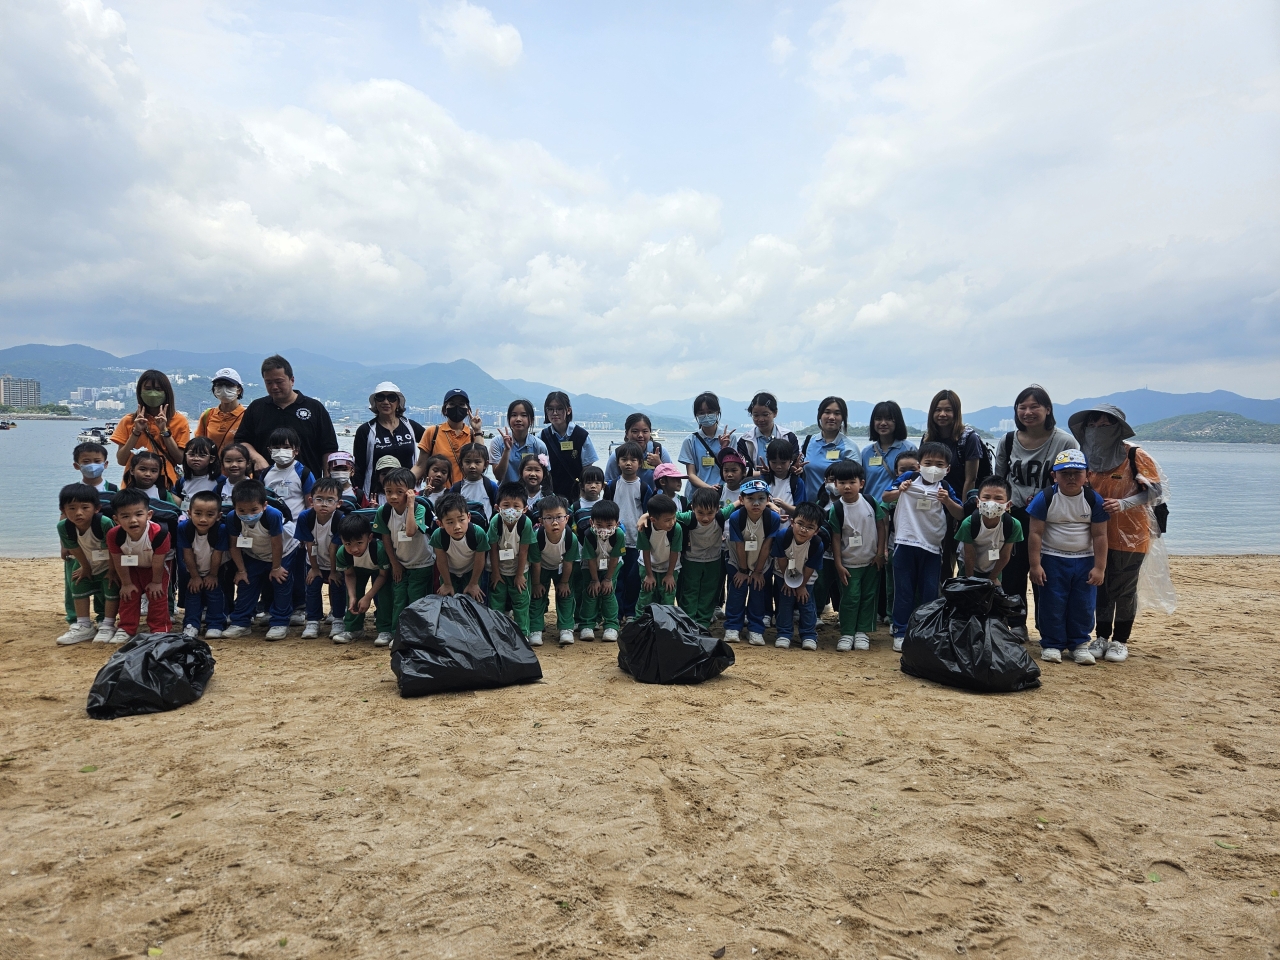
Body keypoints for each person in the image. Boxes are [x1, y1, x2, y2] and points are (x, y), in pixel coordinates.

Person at [1069, 404, 1164, 664]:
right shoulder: (1085, 457)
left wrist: (1125, 503)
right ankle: (1101, 636)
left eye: (1104, 425)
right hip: (1094, 534)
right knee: (1100, 586)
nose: (1097, 430)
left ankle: (1120, 640)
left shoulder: (1134, 455)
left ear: (1117, 429)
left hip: (1132, 535)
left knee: (1124, 589)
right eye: (1092, 425)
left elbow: (1156, 491)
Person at [993, 385, 1076, 641]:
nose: (1028, 412)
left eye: (1034, 407)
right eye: (1022, 407)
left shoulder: (1065, 442)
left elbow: (1074, 479)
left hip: (1051, 517)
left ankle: (1047, 626)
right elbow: (999, 480)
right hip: (1015, 516)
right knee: (1012, 573)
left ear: (1048, 409)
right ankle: (1017, 624)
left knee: (1045, 574)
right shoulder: (1008, 440)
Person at [1027, 450, 1110, 664]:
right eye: (1065, 473)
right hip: (1052, 559)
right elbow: (1035, 533)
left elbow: (1100, 535)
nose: (1071, 478)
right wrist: (1035, 565)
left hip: (1085, 560)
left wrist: (1099, 568)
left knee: (1083, 604)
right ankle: (1052, 644)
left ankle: (1079, 645)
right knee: (1052, 602)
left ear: (1087, 475)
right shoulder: (1045, 498)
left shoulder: (1093, 499)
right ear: (1054, 476)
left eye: (1076, 473)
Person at [881, 442, 965, 652]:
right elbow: (885, 497)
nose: (933, 468)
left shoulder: (944, 487)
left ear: (947, 468)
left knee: (929, 592)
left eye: (939, 464)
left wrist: (948, 502)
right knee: (903, 591)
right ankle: (900, 631)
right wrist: (900, 490)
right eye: (928, 463)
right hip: (905, 542)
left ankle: (926, 631)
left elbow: (960, 514)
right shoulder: (909, 478)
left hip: (932, 547)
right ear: (919, 465)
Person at [235, 355, 338, 478]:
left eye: (279, 382)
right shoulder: (256, 408)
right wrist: (257, 458)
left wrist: (327, 479)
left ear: (292, 380)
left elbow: (329, 447)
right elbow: (241, 440)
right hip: (265, 481)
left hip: (307, 482)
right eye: (269, 382)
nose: (274, 387)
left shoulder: (314, 408)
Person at [922, 389, 986, 576]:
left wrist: (962, 513)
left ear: (956, 412)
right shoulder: (928, 438)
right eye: (938, 410)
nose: (942, 414)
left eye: (948, 410)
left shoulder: (968, 438)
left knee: (958, 557)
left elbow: (970, 479)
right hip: (932, 506)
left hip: (956, 506)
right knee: (936, 559)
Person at [222, 479, 296, 641]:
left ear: (264, 505)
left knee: (281, 580)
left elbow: (277, 544)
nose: (248, 515)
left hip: (283, 552)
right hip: (254, 553)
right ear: (234, 507)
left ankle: (280, 622)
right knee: (246, 582)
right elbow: (233, 545)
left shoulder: (273, 515)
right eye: (242, 510)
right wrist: (241, 570)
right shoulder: (232, 518)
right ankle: (241, 622)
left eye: (254, 510)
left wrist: (276, 567)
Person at [827, 460, 887, 652]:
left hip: (871, 561)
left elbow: (881, 526)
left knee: (868, 596)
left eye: (852, 482)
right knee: (850, 598)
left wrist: (880, 553)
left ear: (861, 483)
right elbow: (836, 538)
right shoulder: (836, 509)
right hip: (849, 564)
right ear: (835, 484)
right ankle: (847, 633)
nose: (847, 487)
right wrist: (838, 564)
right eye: (842, 482)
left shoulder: (870, 502)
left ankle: (862, 632)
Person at [61, 442, 118, 633]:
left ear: (105, 464)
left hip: (103, 546)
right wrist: (64, 545)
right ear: (77, 465)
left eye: (97, 461)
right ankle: (75, 618)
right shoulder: (73, 491)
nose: (92, 465)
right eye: (86, 461)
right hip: (78, 545)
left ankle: (102, 617)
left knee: (104, 582)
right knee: (74, 580)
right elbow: (64, 517)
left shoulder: (113, 489)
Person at [374, 468, 436, 638]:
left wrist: (410, 505)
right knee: (399, 598)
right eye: (388, 492)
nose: (393, 496)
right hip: (400, 563)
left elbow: (410, 531)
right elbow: (386, 538)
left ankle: (414, 634)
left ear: (410, 492)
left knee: (416, 599)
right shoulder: (384, 511)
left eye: (399, 492)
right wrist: (394, 563)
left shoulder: (419, 508)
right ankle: (397, 634)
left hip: (422, 563)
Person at [55, 483, 120, 645]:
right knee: (77, 583)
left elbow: (112, 549)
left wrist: (112, 570)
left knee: (110, 588)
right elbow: (74, 548)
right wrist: (85, 567)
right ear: (63, 510)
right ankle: (84, 625)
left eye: (85, 507)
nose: (78, 513)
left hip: (109, 563)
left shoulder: (104, 523)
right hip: (86, 562)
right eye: (71, 508)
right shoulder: (64, 527)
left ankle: (108, 624)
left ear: (96, 508)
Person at [106, 488, 173, 641]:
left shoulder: (160, 533)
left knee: (157, 595)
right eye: (125, 516)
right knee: (128, 594)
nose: (133, 520)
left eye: (139, 514)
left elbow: (159, 561)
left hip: (156, 567)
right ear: (116, 519)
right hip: (131, 567)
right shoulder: (114, 535)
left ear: (149, 515)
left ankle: (159, 629)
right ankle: (126, 628)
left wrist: (156, 582)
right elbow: (118, 559)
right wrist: (126, 583)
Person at [110, 370, 191, 486]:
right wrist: (136, 431)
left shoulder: (179, 421)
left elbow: (180, 459)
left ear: (166, 392)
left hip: (166, 485)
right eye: (147, 389)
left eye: (158, 389)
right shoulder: (128, 421)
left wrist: (164, 430)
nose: (153, 394)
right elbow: (121, 460)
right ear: (140, 392)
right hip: (133, 486)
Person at [724, 478, 781, 645]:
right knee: (737, 591)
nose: (756, 503)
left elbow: (767, 545)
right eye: (750, 498)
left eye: (761, 498)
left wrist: (757, 571)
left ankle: (756, 629)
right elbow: (739, 545)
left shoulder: (773, 518)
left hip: (761, 563)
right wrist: (743, 570)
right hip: (737, 561)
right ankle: (732, 627)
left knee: (758, 592)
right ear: (741, 500)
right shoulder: (736, 517)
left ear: (768, 500)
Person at [604, 441, 653, 620]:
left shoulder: (644, 487)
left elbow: (648, 512)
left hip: (635, 540)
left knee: (633, 579)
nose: (628, 463)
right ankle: (616, 613)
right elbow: (606, 510)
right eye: (624, 459)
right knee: (616, 578)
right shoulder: (612, 486)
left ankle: (631, 612)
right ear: (618, 462)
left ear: (640, 463)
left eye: (633, 460)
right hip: (615, 539)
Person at [354, 382, 425, 503]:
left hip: (409, 493)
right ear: (375, 402)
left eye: (391, 398)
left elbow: (432, 445)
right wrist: (359, 496)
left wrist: (423, 470)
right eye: (380, 397)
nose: (386, 402)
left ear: (398, 402)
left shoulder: (410, 426)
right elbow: (359, 467)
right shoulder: (366, 430)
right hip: (375, 496)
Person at [294, 477, 347, 639]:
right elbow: (309, 544)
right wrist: (315, 568)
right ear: (311, 500)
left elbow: (334, 547)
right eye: (319, 499)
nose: (324, 504)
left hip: (335, 562)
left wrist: (333, 571)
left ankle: (338, 618)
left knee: (337, 588)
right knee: (312, 587)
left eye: (330, 500)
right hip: (313, 561)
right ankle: (313, 621)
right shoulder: (305, 517)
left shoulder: (340, 519)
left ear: (338, 503)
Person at [674, 487, 733, 631]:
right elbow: (667, 514)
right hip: (691, 561)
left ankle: (703, 622)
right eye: (700, 513)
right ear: (692, 508)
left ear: (717, 509)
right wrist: (646, 516)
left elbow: (737, 503)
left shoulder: (721, 516)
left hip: (713, 561)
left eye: (710, 513)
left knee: (709, 591)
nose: (705, 518)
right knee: (689, 591)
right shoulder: (689, 517)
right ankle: (689, 622)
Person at [770, 501, 826, 651]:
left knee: (806, 603)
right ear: (792, 522)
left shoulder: (817, 544)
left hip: (806, 578)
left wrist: (801, 586)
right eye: (800, 524)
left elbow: (810, 567)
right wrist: (787, 580)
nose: (803, 530)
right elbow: (781, 560)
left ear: (816, 531)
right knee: (785, 602)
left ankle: (809, 635)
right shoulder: (783, 536)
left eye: (810, 527)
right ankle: (784, 633)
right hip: (783, 574)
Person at [333, 513, 393, 645]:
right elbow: (349, 575)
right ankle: (353, 628)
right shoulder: (342, 553)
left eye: (359, 543)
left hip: (380, 571)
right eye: (348, 544)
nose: (354, 549)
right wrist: (352, 596)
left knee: (385, 596)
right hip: (357, 571)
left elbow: (383, 575)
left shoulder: (379, 550)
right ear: (341, 540)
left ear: (369, 537)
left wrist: (368, 597)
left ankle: (385, 629)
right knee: (353, 596)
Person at [527, 495, 579, 647]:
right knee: (537, 596)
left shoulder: (571, 538)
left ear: (567, 518)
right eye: (549, 518)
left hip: (561, 568)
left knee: (566, 595)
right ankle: (535, 629)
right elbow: (536, 564)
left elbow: (568, 563)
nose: (555, 522)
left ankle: (566, 628)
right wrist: (536, 584)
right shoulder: (537, 537)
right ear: (541, 520)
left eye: (559, 517)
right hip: (541, 568)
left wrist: (564, 582)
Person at [487, 482, 537, 638]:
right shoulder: (495, 522)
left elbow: (524, 551)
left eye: (516, 506)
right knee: (496, 601)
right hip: (499, 569)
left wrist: (519, 575)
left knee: (521, 601)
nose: (511, 510)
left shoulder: (525, 523)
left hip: (519, 569)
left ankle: (523, 634)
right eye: (506, 505)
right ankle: (497, 634)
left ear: (524, 509)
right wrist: (496, 573)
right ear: (498, 507)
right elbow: (493, 549)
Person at [178, 491, 228, 639]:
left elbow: (218, 554)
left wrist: (212, 575)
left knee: (215, 594)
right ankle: (191, 624)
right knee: (192, 594)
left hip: (215, 570)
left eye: (210, 515)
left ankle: (216, 624)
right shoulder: (183, 528)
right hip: (192, 570)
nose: (203, 519)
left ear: (218, 516)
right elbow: (187, 553)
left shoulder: (221, 530)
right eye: (198, 514)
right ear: (189, 513)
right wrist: (194, 576)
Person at [955, 476, 1023, 581]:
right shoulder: (969, 524)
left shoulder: (1013, 525)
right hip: (969, 568)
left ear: (1008, 505)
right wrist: (970, 581)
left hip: (994, 569)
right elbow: (969, 556)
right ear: (978, 502)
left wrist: (993, 578)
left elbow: (1005, 556)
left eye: (998, 498)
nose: (991, 502)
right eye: (986, 497)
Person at [412, 388, 485, 485]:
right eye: (452, 404)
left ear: (468, 410)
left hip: (466, 490)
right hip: (438, 491)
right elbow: (420, 466)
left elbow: (482, 460)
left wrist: (478, 430)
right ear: (444, 410)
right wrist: (402, 482)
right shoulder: (432, 432)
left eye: (461, 404)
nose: (457, 407)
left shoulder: (472, 434)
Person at [578, 500, 625, 641]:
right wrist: (594, 580)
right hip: (590, 566)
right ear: (591, 522)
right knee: (591, 592)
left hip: (611, 566)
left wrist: (608, 579)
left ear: (617, 524)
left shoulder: (619, 535)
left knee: (608, 592)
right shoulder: (589, 535)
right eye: (599, 525)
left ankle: (611, 625)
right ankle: (587, 625)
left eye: (609, 525)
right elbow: (590, 559)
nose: (604, 529)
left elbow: (615, 558)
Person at [430, 492, 490, 602]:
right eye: (450, 522)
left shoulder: (478, 534)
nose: (457, 527)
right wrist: (447, 584)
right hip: (449, 572)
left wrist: (473, 583)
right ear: (440, 524)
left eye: (461, 520)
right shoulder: (438, 536)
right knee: (448, 602)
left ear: (468, 517)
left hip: (472, 571)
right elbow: (441, 561)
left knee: (474, 600)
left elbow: (480, 560)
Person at [540, 391, 599, 502]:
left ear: (568, 410)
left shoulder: (581, 436)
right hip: (550, 497)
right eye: (550, 409)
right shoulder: (542, 437)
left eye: (559, 408)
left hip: (576, 496)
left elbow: (587, 469)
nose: (555, 413)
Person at [799, 397, 859, 503]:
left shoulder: (849, 448)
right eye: (827, 412)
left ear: (843, 418)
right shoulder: (809, 442)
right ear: (820, 415)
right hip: (809, 507)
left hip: (837, 508)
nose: (831, 417)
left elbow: (854, 481)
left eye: (837, 413)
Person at [636, 494, 683, 617]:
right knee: (646, 593)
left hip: (670, 566)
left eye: (673, 518)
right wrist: (649, 575)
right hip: (648, 565)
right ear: (653, 520)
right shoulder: (645, 528)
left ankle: (666, 623)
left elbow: (675, 552)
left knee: (668, 595)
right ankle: (640, 621)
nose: (671, 522)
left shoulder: (676, 528)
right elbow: (645, 551)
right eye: (667, 520)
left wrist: (670, 575)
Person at [861, 401, 917, 502]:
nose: (883, 423)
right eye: (878, 419)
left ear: (897, 421)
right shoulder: (866, 452)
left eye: (889, 418)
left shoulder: (909, 448)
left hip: (900, 507)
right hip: (872, 507)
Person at [679, 392, 734, 494]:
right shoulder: (690, 441)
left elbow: (733, 468)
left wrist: (724, 449)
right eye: (701, 413)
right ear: (696, 415)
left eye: (710, 412)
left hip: (723, 493)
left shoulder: (730, 438)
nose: (706, 416)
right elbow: (691, 474)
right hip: (697, 495)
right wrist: (709, 488)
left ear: (717, 412)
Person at [490, 399, 549, 485]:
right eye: (514, 415)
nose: (518, 419)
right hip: (506, 492)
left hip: (531, 492)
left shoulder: (539, 445)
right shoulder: (497, 442)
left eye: (523, 415)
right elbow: (499, 476)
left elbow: (545, 476)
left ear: (531, 420)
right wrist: (507, 450)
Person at [736, 392, 799, 472]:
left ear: (775, 413)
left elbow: (794, 462)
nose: (760, 419)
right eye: (756, 415)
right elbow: (745, 469)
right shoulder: (745, 441)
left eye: (765, 414)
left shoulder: (788, 437)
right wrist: (762, 473)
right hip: (756, 480)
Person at [605, 413, 672, 486]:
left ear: (650, 433)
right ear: (627, 433)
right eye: (635, 431)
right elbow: (609, 486)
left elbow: (673, 482)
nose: (640, 435)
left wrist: (659, 465)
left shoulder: (659, 452)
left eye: (645, 431)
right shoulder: (617, 455)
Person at [195, 368, 247, 454]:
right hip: (212, 462)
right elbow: (199, 444)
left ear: (239, 390)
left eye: (229, 385)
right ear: (214, 389)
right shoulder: (207, 415)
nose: (224, 389)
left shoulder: (247, 416)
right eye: (219, 385)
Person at [450, 444, 499, 521]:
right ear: (461, 464)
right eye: (468, 462)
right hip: (463, 527)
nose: (472, 466)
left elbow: (498, 508)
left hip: (486, 527)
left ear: (485, 464)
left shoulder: (491, 486)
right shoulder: (456, 488)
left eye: (477, 462)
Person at [761, 438, 805, 519]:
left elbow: (801, 511)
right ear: (768, 460)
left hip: (790, 525)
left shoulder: (796, 482)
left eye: (783, 463)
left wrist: (783, 505)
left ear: (790, 460)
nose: (778, 466)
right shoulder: (763, 480)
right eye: (774, 462)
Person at [175, 437, 221, 508]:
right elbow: (175, 497)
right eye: (192, 454)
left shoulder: (220, 481)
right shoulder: (182, 481)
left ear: (211, 459)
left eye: (202, 455)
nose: (196, 459)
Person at [215, 443, 253, 510]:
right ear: (222, 464)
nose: (234, 465)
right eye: (228, 461)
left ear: (248, 463)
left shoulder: (255, 487)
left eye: (239, 461)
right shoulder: (219, 488)